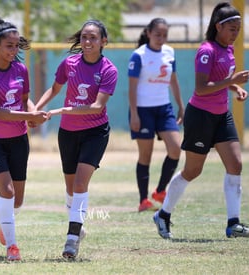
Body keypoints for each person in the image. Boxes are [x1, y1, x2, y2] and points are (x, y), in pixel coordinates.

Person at [153, 2, 249, 239]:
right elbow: (201, 87)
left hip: (221, 115)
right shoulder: (207, 50)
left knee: (236, 164)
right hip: (200, 116)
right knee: (193, 170)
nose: (235, 34)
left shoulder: (228, 49)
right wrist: (231, 81)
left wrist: (234, 87)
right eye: (232, 29)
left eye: (238, 29)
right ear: (218, 27)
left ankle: (233, 224)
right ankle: (163, 215)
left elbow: (222, 79)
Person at [34, 19, 118, 259]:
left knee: (81, 184)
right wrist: (36, 111)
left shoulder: (108, 69)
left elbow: (96, 106)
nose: (87, 41)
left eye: (93, 37)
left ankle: (71, 239)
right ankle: (78, 227)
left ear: (103, 41)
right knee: (71, 188)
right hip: (68, 133)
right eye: (84, 37)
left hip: (95, 132)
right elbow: (54, 89)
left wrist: (63, 111)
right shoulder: (69, 63)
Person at [0, 17, 48, 261]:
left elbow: (25, 99)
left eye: (17, 45)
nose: (14, 50)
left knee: (17, 199)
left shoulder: (21, 69)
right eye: (9, 45)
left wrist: (33, 113)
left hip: (18, 138)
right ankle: (12, 247)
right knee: (6, 191)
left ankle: (5, 225)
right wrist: (30, 114)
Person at [128, 18, 185, 212]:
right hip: (143, 110)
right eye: (157, 34)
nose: (161, 38)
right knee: (146, 155)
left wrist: (180, 105)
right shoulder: (139, 55)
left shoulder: (170, 52)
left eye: (164, 35)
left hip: (164, 108)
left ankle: (160, 191)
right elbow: (132, 88)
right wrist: (134, 114)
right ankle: (143, 200)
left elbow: (174, 81)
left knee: (176, 148)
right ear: (149, 33)